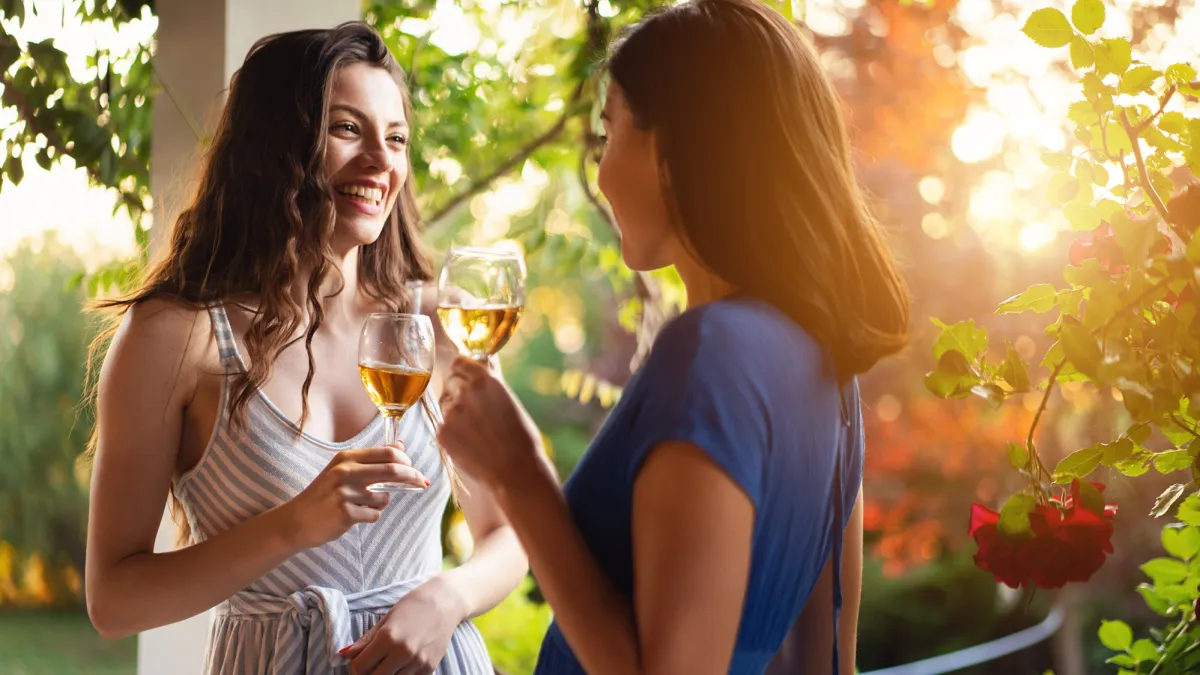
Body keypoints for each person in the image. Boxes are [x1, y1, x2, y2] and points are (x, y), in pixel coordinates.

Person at [434, 1, 910, 673]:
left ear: (676, 148)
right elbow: (830, 662)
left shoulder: (710, 351)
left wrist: (518, 474)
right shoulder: (827, 368)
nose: (599, 173)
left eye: (610, 132)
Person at [83, 22, 527, 675]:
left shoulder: (435, 322)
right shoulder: (174, 337)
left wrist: (446, 598)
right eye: (348, 129)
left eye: (397, 138)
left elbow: (513, 529)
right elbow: (112, 600)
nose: (382, 160)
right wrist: (294, 523)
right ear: (273, 146)